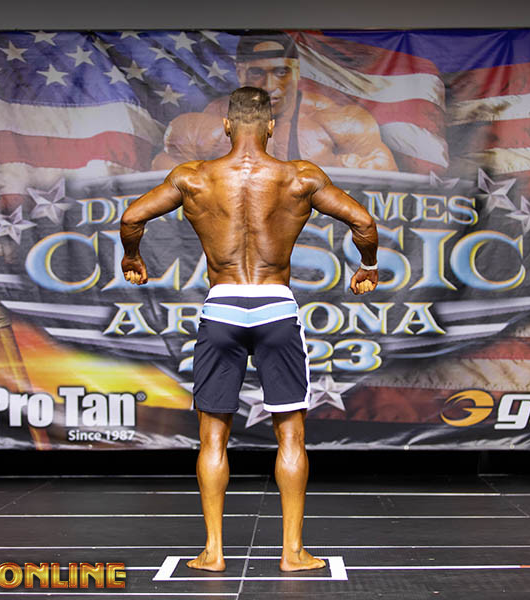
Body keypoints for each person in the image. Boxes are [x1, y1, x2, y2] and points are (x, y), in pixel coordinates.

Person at [120, 86, 379, 572]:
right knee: (291, 437)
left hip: (221, 309)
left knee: (213, 439)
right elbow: (362, 221)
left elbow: (133, 217)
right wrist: (367, 265)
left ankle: (213, 552)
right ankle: (292, 553)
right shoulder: (299, 176)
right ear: (271, 127)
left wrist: (132, 256)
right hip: (275, 308)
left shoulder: (193, 177)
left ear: (225, 126)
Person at [151, 32, 397, 171]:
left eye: (281, 72)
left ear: (297, 72)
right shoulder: (208, 124)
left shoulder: (339, 123)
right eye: (257, 73)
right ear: (240, 72)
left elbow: (385, 190)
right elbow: (165, 180)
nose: (269, 86)